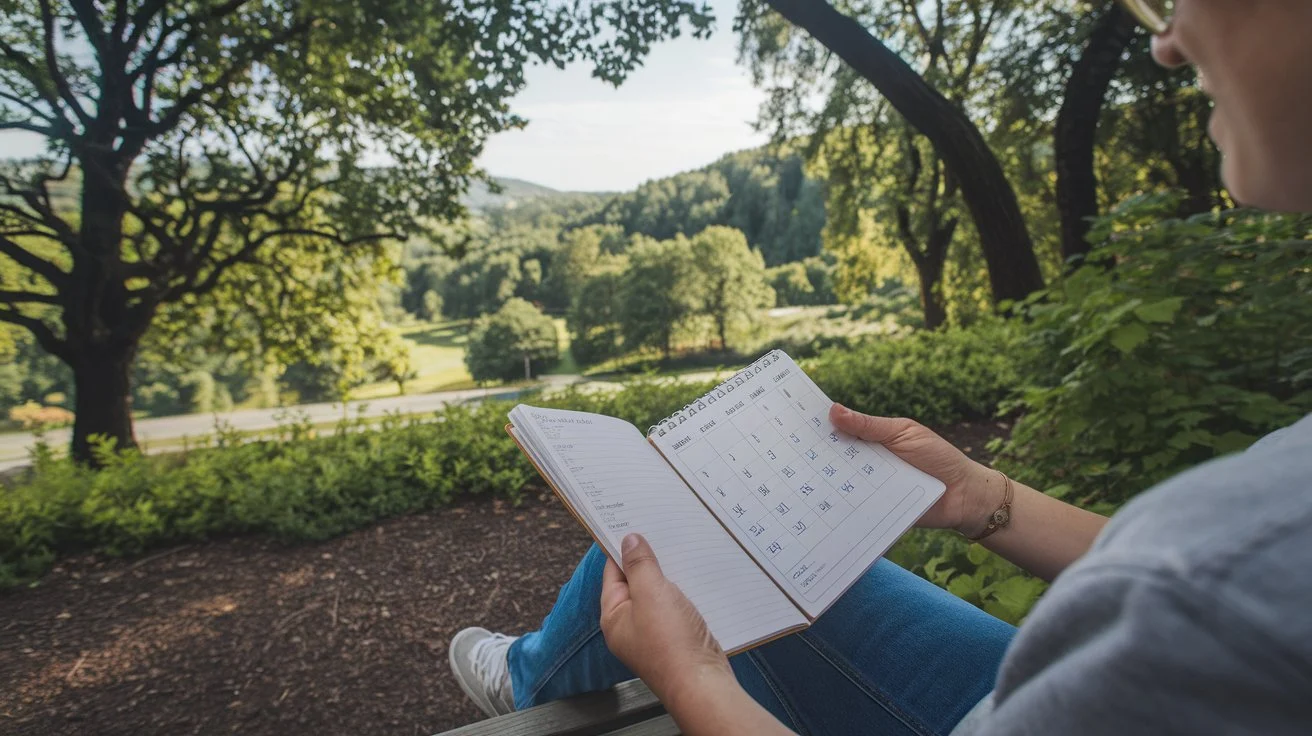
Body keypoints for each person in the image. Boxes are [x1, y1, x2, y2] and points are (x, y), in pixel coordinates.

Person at [449, 1, 1312, 733]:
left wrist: (695, 683)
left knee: (667, 540)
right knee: (704, 532)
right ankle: (531, 671)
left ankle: (530, 681)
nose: (1167, 37)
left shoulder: (1223, 588)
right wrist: (981, 495)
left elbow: (1205, 575)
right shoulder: (1234, 573)